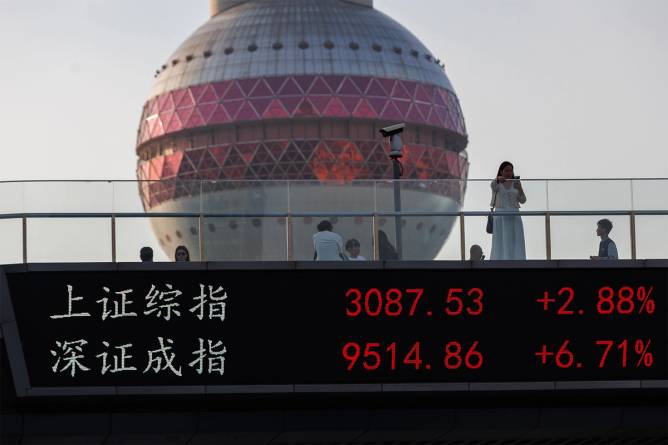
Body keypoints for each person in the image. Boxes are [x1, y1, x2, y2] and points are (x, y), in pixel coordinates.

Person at [490, 161, 526, 260]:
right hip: (501, 216)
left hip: (514, 216)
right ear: (501, 171)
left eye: (511, 170)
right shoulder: (497, 184)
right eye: (506, 170)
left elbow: (523, 200)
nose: (509, 172)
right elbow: (492, 185)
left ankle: (516, 260)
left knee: (515, 240)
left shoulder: (515, 183)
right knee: (501, 240)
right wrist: (498, 179)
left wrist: (520, 188)